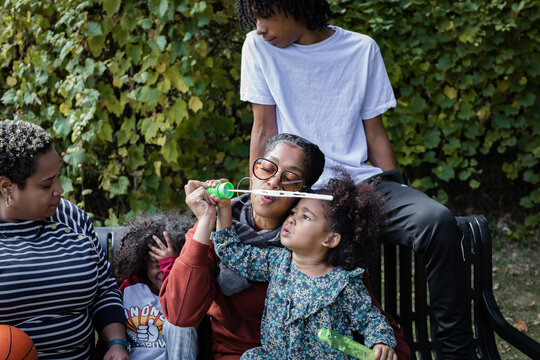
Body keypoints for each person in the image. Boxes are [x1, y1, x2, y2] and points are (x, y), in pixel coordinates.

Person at [237, 1, 474, 358]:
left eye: (265, 14)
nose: (259, 27)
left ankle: (456, 352)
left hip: (363, 186)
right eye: (253, 17)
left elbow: (375, 134)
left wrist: (400, 187)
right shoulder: (258, 48)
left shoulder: (361, 49)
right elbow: (264, 128)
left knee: (435, 221)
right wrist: (261, 189)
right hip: (299, 187)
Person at [160, 133, 410, 360]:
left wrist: (383, 347)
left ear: (304, 192)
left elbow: (370, 317)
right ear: (254, 170)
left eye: (289, 178)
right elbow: (181, 315)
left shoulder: (320, 244)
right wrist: (207, 221)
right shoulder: (224, 227)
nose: (272, 182)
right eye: (267, 168)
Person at [197, 170, 397, 359]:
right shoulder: (278, 263)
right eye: (293, 212)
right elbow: (233, 252)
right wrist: (223, 209)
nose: (291, 220)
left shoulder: (344, 283)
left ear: (330, 239)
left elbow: (370, 320)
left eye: (306, 216)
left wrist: (380, 342)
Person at [0, 120, 128, 359]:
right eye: (46, 184)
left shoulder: (70, 216)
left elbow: (104, 290)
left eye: (57, 178)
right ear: (7, 187)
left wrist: (117, 343)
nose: (59, 190)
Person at [111, 212, 198, 359]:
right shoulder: (130, 288)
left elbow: (179, 297)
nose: (163, 271)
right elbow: (113, 324)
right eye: (157, 264)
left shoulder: (188, 295)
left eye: (175, 264)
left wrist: (169, 266)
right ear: (144, 263)